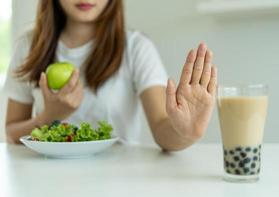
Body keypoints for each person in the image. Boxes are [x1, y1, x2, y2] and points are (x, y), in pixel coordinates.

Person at [4, 0, 217, 151]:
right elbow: (12, 133)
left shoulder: (136, 47)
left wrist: (186, 133)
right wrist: (49, 116)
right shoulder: (29, 46)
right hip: (45, 179)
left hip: (118, 181)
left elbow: (163, 130)